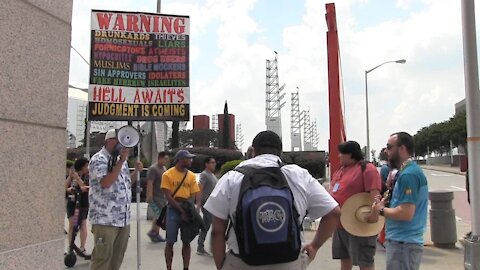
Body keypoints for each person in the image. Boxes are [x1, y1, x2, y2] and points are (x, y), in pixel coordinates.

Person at [204, 131, 341, 270]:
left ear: (253, 151)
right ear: (280, 152)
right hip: (289, 262)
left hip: (242, 262)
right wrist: (314, 246)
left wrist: (221, 266)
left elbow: (217, 231)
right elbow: (334, 212)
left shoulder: (231, 178)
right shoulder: (299, 175)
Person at [88, 129, 143, 270]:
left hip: (122, 219)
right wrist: (121, 162)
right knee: (102, 259)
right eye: (117, 140)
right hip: (105, 219)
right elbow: (106, 182)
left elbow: (124, 184)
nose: (121, 145)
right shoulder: (99, 159)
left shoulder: (120, 161)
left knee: (116, 259)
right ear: (108, 141)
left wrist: (136, 172)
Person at [372, 132, 428, 270]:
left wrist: (380, 210)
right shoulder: (406, 172)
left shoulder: (408, 175)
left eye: (389, 147)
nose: (386, 151)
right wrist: (385, 202)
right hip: (402, 242)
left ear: (402, 149)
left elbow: (406, 213)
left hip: (404, 243)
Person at [329, 141, 382, 270]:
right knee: (344, 257)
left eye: (342, 153)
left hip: (359, 223)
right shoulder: (340, 170)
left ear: (351, 154)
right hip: (341, 223)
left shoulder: (367, 169)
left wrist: (374, 213)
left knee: (365, 260)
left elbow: (374, 193)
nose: (339, 156)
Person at [161, 150, 202, 270]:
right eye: (188, 158)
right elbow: (168, 197)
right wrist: (181, 211)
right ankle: (169, 267)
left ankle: (186, 267)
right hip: (174, 208)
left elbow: (195, 193)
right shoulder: (168, 175)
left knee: (186, 241)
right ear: (180, 160)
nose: (190, 161)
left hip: (186, 206)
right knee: (170, 241)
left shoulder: (191, 176)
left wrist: (193, 208)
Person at [65, 157, 90, 253]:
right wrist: (70, 177)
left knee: (83, 223)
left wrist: (77, 177)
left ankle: (82, 247)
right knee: (72, 224)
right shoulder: (71, 175)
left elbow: (84, 186)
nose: (87, 168)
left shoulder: (87, 176)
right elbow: (64, 187)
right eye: (86, 166)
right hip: (72, 203)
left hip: (82, 203)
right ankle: (71, 246)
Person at [146, 151, 169, 243]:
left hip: (163, 196)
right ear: (160, 158)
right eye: (165, 159)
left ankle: (155, 232)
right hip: (156, 196)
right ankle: (154, 232)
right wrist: (149, 195)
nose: (166, 161)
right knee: (158, 216)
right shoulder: (153, 169)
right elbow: (150, 182)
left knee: (160, 216)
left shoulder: (164, 168)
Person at [197, 156, 218, 255]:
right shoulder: (204, 175)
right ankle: (200, 246)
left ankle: (212, 247)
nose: (214, 164)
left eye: (214, 162)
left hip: (213, 203)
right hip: (206, 203)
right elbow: (199, 189)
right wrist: (198, 204)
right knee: (206, 225)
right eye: (212, 162)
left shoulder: (212, 175)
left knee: (213, 225)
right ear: (207, 164)